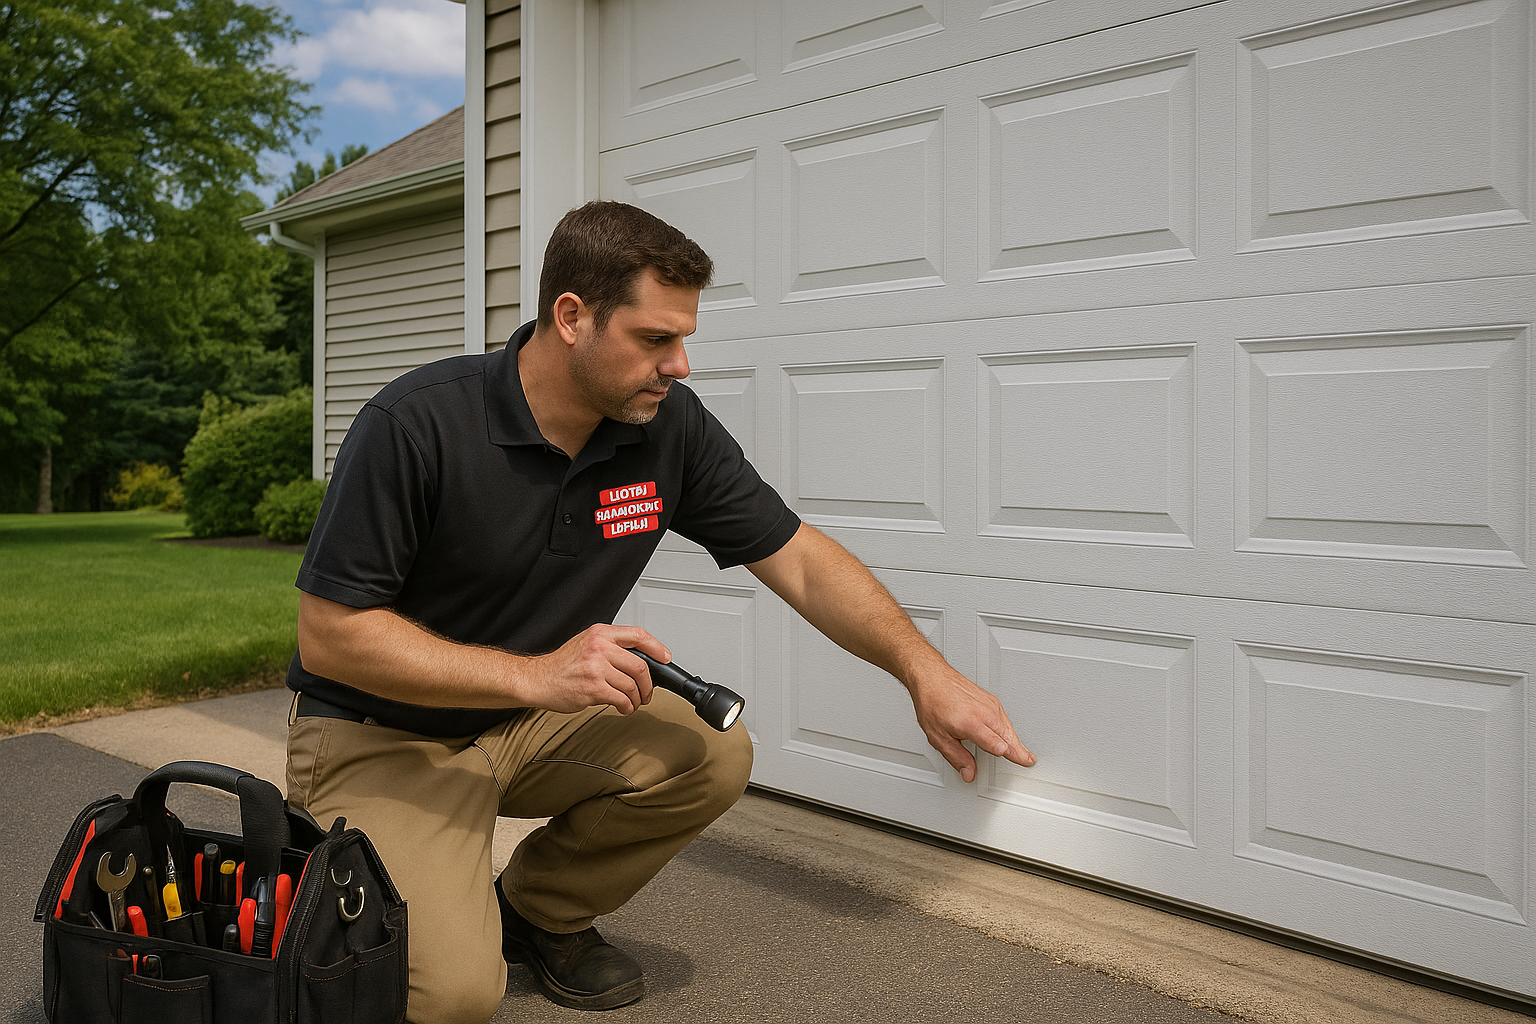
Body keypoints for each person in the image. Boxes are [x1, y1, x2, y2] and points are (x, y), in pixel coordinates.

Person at [285, 200, 1036, 1024]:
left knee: (711, 748)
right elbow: (331, 638)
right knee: (454, 998)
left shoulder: (664, 428)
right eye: (653, 340)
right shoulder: (417, 424)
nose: (678, 365)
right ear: (571, 317)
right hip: (383, 737)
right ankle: (371, 888)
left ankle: (536, 912)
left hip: (524, 719)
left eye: (684, 339)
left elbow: (801, 560)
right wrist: (536, 674)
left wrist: (924, 672)